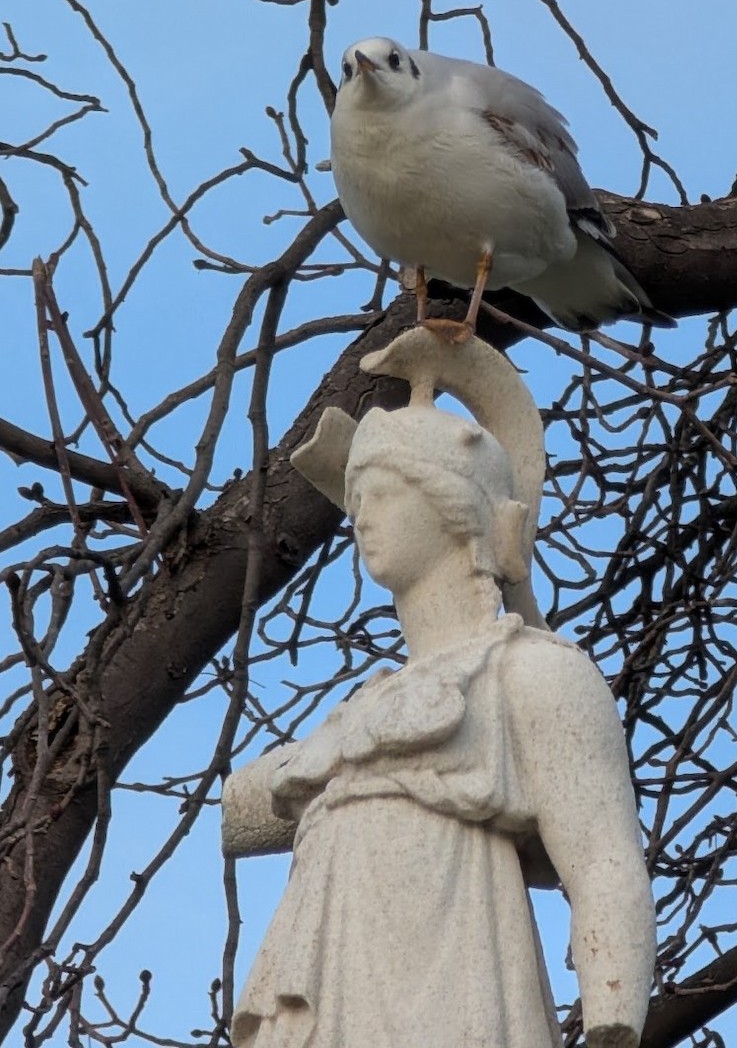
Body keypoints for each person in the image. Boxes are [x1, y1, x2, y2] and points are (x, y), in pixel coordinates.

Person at [226, 402, 655, 1048]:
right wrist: (324, 762)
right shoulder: (362, 711)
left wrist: (611, 1019)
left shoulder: (531, 675)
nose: (361, 517)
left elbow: (602, 860)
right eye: (356, 498)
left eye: (381, 492)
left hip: (459, 993)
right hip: (327, 995)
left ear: (453, 505)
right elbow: (237, 811)